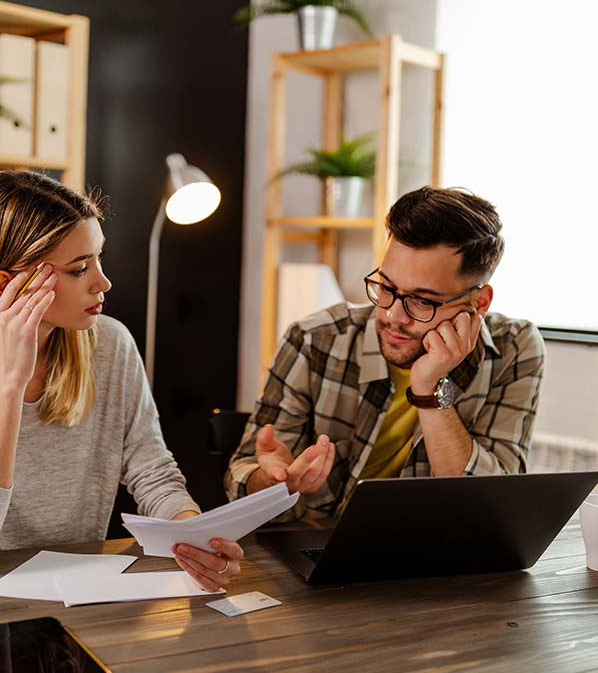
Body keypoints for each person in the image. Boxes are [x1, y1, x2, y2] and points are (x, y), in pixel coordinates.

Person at [0, 169, 242, 590]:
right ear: (8, 286)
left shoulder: (110, 344)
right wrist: (8, 382)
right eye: (79, 270)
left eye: (99, 258)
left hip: (71, 594)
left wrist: (195, 538)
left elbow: (154, 476)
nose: (104, 282)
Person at [226, 186, 545, 520]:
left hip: (438, 561)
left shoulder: (513, 348)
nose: (393, 315)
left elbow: (490, 511)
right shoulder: (314, 340)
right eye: (387, 288)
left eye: (423, 300)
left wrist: (430, 390)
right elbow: (240, 482)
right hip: (316, 549)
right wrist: (272, 482)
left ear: (478, 303)